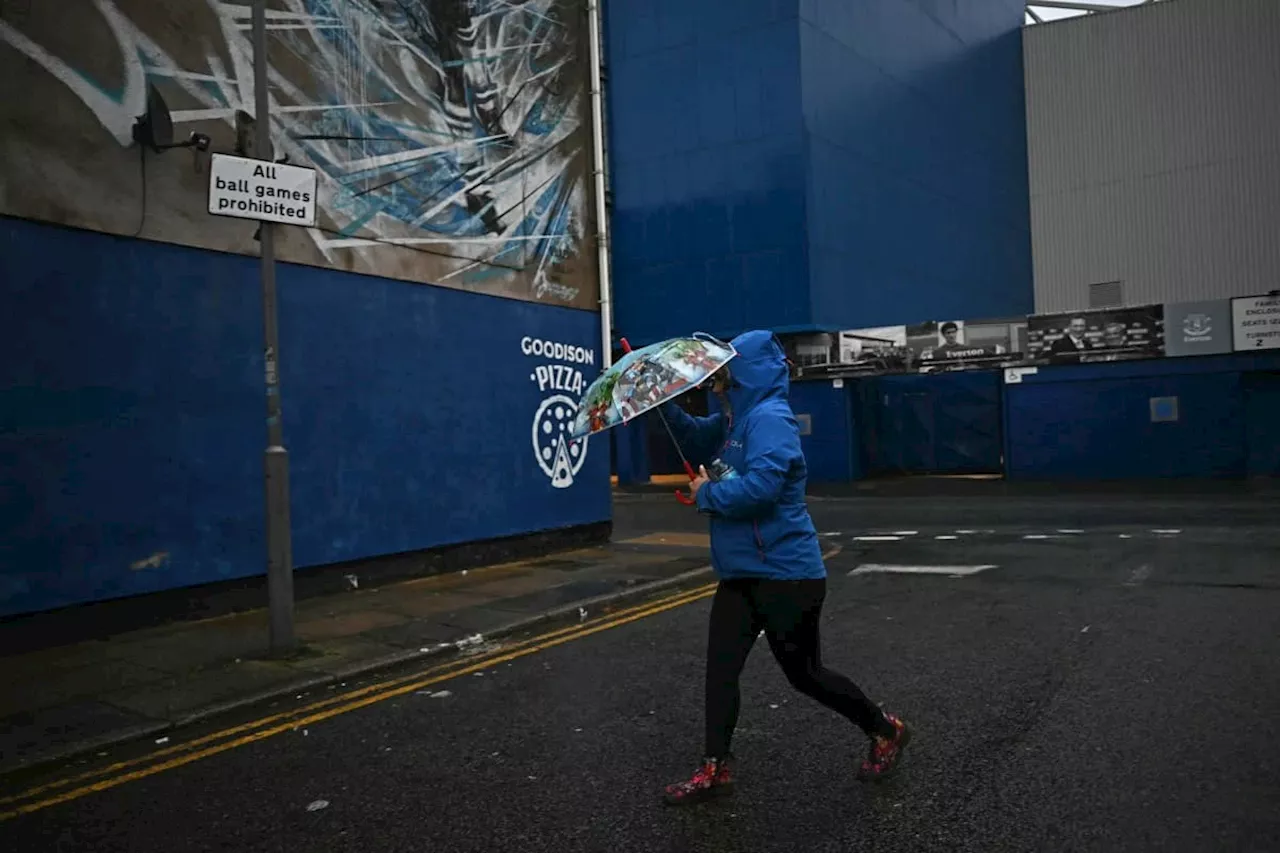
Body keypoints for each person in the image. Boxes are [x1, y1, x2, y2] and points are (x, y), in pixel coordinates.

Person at [656, 330, 911, 806]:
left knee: (805, 675)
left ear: (746, 373)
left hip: (787, 575)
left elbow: (761, 490)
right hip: (740, 573)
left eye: (725, 374)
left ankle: (884, 729)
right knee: (721, 670)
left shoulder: (769, 419)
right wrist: (662, 403)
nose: (716, 383)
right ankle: (716, 768)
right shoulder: (734, 421)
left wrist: (705, 495)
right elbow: (692, 437)